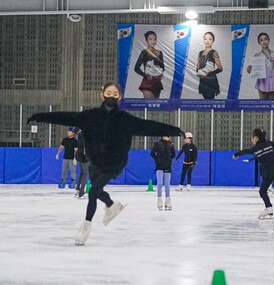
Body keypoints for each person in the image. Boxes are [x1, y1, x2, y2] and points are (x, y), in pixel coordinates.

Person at [27, 82, 183, 246]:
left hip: (114, 163)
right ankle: (111, 205)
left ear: (120, 97)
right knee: (97, 191)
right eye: (108, 93)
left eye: (115, 94)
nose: (111, 96)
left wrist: (171, 130)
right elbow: (65, 117)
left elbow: (148, 126)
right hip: (95, 161)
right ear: (102, 95)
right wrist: (39, 116)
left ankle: (85, 227)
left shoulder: (125, 120)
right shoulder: (89, 116)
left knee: (93, 191)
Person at [246, 33, 274, 100]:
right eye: (261, 40)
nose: (264, 42)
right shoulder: (257, 55)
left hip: (272, 79)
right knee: (263, 103)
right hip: (262, 81)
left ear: (269, 40)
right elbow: (251, 71)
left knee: (271, 103)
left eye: (266, 39)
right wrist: (249, 69)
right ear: (259, 43)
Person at [134, 31, 165, 99]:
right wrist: (145, 75)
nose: (153, 41)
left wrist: (161, 73)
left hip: (157, 81)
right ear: (146, 40)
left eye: (154, 39)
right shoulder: (144, 52)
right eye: (150, 39)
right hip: (147, 82)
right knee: (148, 104)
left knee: (155, 106)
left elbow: (162, 67)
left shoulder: (160, 53)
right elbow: (136, 68)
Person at [151, 136, 175, 211]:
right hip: (159, 166)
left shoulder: (171, 144)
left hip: (167, 166)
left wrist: (169, 161)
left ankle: (168, 201)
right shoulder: (157, 143)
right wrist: (157, 160)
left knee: (167, 184)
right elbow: (152, 153)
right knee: (160, 183)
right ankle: (159, 200)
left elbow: (173, 155)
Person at [196, 32, 223, 99]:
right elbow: (197, 67)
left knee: (210, 101)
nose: (207, 41)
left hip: (211, 81)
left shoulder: (214, 53)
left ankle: (212, 110)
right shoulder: (200, 53)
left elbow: (220, 68)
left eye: (210, 39)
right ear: (203, 40)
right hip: (203, 81)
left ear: (213, 41)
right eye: (205, 39)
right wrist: (199, 71)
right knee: (205, 101)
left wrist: (210, 73)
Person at [74, 128, 89, 199]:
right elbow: (84, 145)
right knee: (85, 173)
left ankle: (77, 189)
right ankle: (81, 192)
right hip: (84, 156)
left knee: (82, 172)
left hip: (79, 155)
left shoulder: (79, 135)